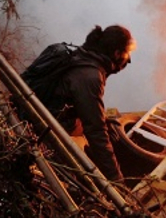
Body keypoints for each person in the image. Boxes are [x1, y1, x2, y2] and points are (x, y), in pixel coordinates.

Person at [30, 25, 136, 181]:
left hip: (38, 118)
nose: (128, 60)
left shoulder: (79, 56)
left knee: (108, 130)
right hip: (42, 133)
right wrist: (116, 180)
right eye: (128, 54)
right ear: (117, 53)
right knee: (75, 179)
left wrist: (104, 121)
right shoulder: (90, 76)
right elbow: (96, 132)